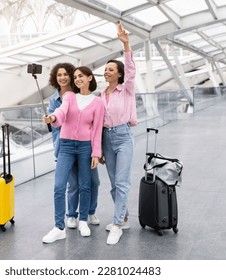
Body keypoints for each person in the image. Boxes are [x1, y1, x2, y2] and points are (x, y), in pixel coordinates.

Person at [42, 66, 105, 244]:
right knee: (59, 186)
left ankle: (83, 220)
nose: (77, 79)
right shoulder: (70, 97)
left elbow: (97, 129)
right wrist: (53, 118)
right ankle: (58, 227)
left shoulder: (98, 102)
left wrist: (96, 153)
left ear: (89, 78)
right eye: (75, 77)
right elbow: (61, 113)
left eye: (80, 76)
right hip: (66, 146)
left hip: (86, 147)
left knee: (86, 185)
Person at [100, 22, 137, 245]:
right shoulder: (101, 95)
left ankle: (116, 224)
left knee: (122, 182)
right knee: (114, 183)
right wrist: (98, 149)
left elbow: (131, 70)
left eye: (111, 69)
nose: (106, 72)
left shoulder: (127, 89)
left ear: (120, 74)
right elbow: (97, 124)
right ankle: (123, 216)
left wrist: (126, 45)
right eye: (105, 70)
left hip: (123, 136)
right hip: (106, 138)